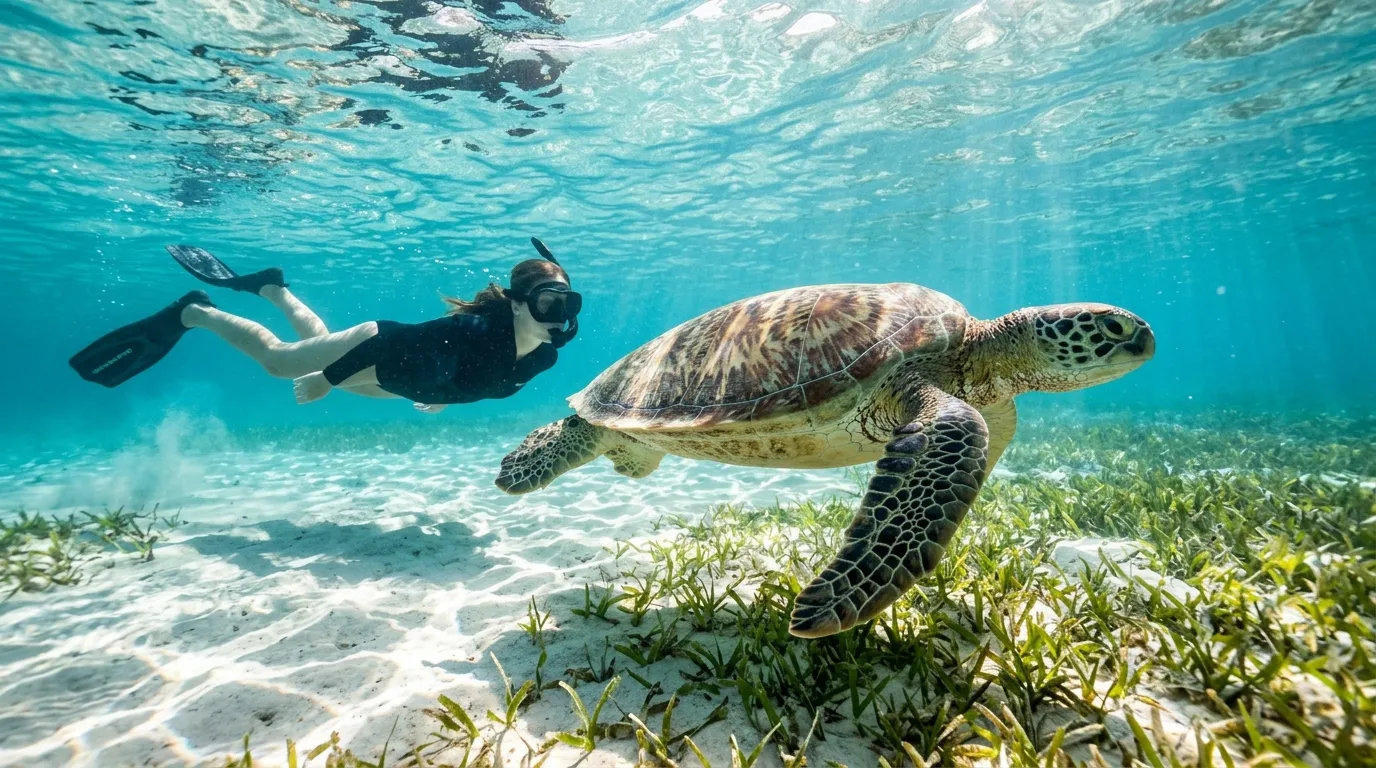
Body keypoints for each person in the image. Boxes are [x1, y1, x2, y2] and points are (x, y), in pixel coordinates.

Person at [69, 239, 580, 413]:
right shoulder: (472, 332)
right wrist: (326, 380)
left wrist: (449, 390)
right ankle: (195, 311)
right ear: (516, 303)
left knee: (314, 343)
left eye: (567, 304)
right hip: (378, 349)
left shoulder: (545, 356)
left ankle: (272, 287)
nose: (561, 316)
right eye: (548, 302)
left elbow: (486, 376)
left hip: (401, 381)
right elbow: (388, 342)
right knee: (278, 363)